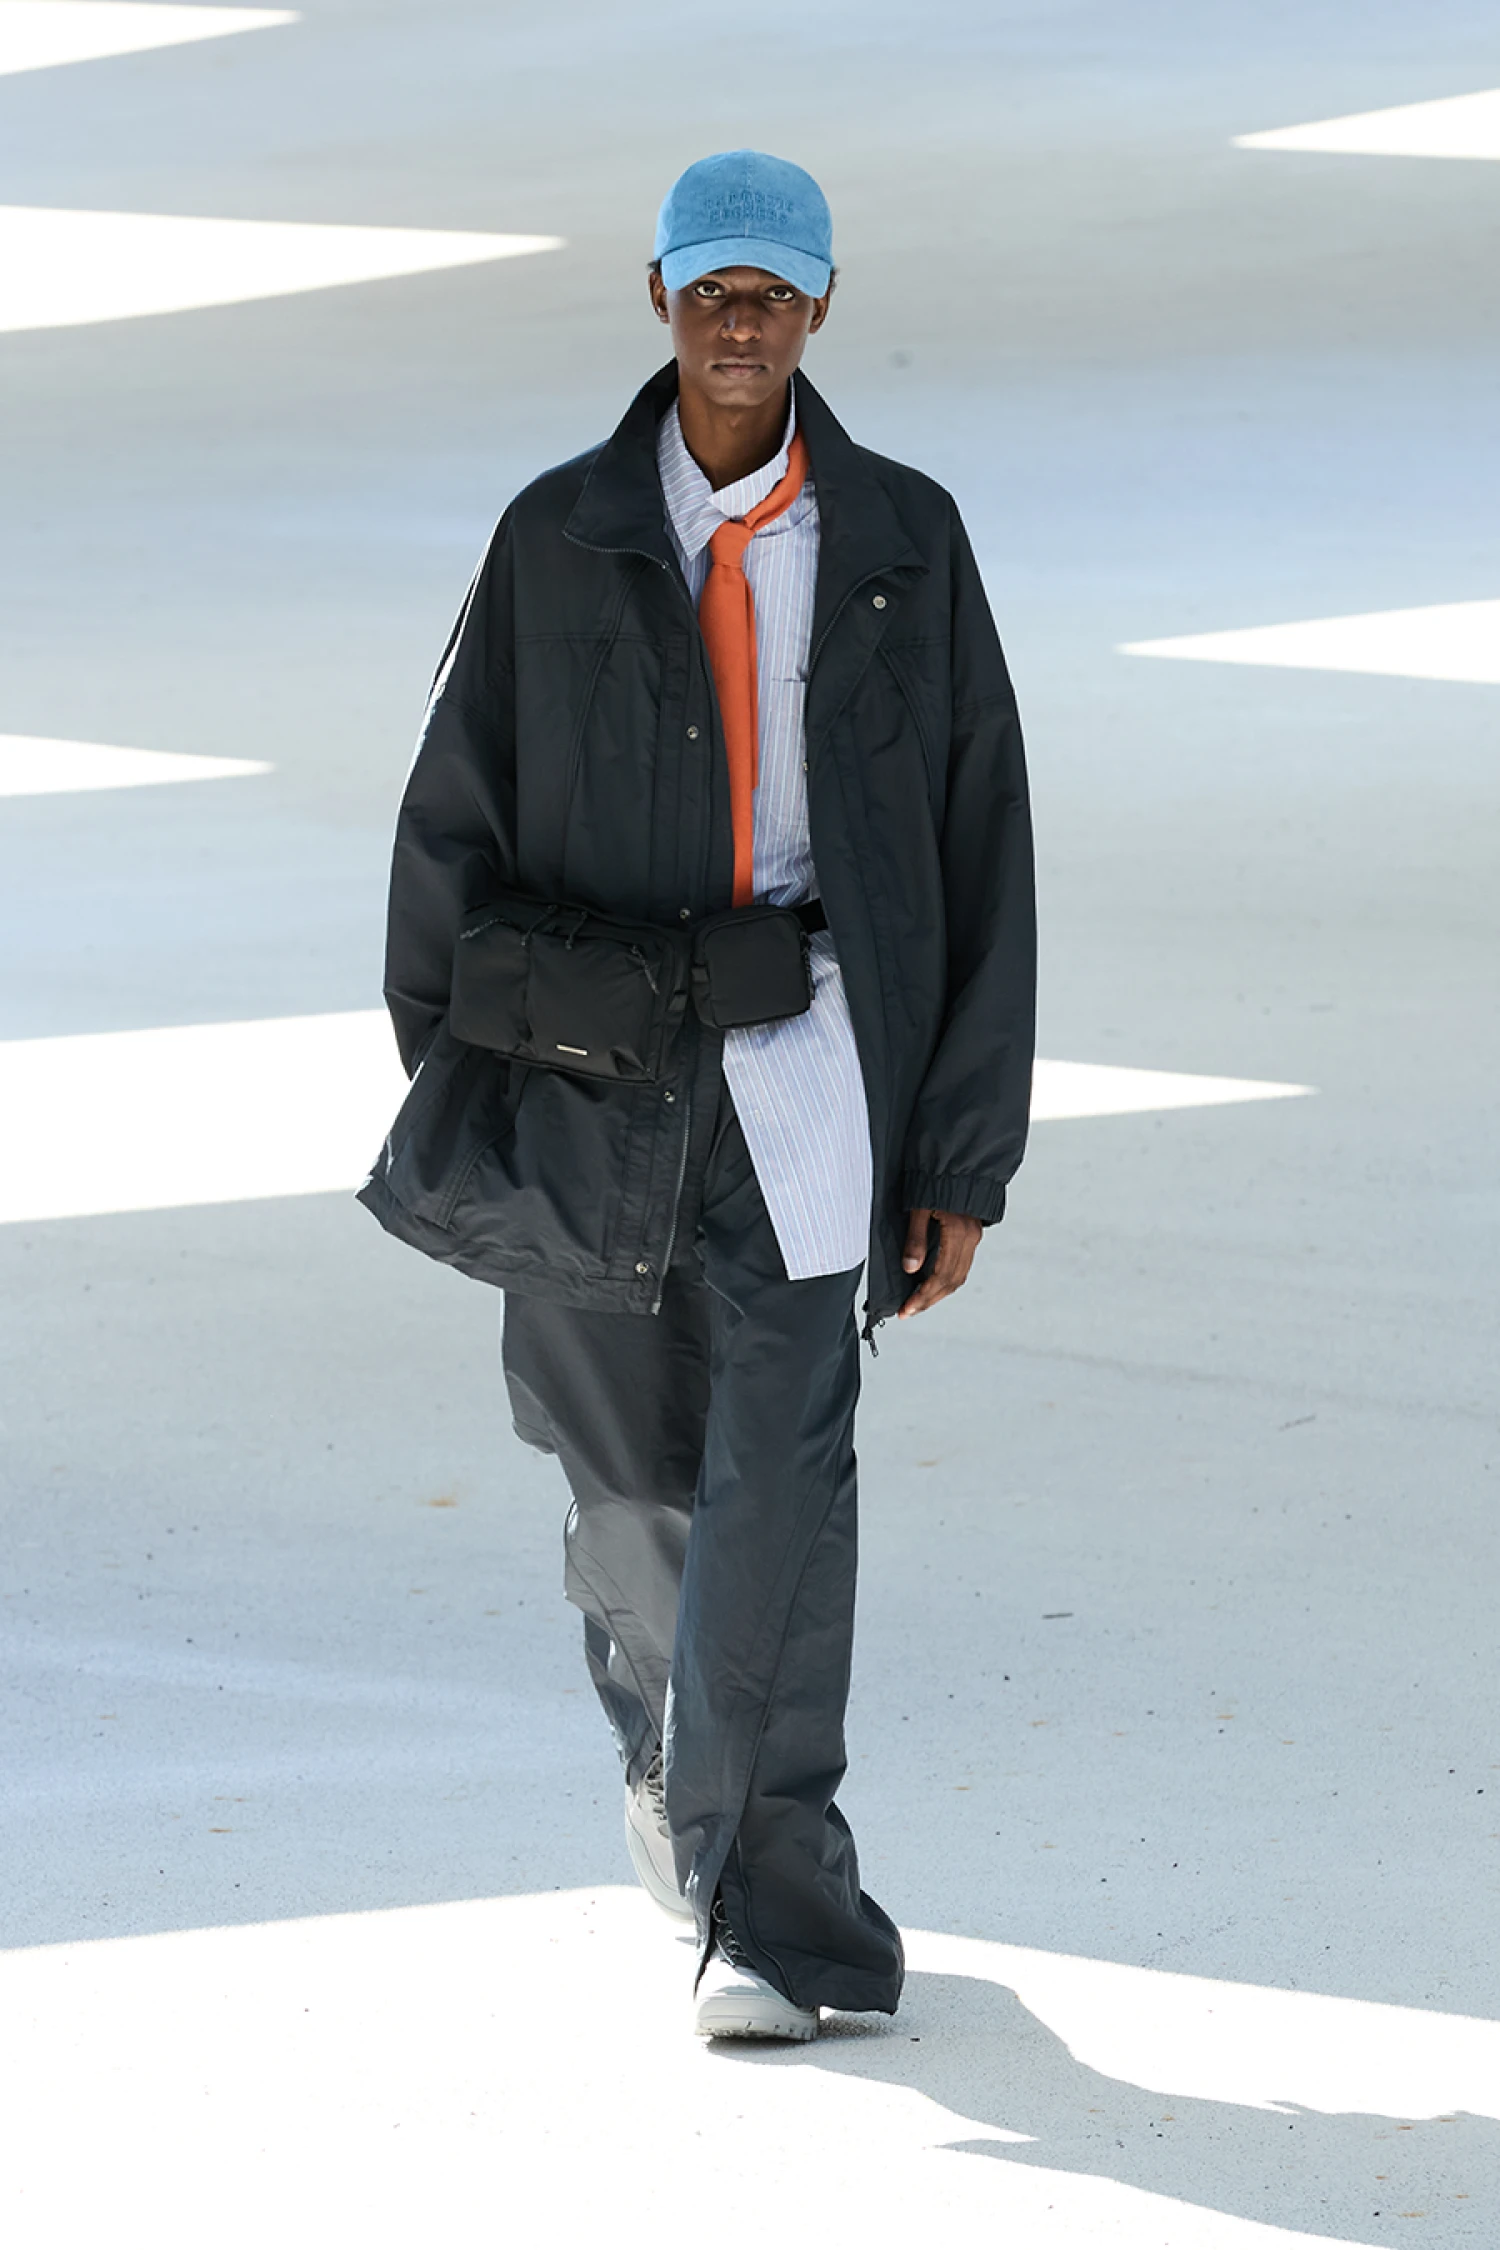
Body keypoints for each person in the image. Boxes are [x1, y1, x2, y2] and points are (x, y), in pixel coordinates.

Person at [360, 150, 1035, 2042]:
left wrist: (962, 1148)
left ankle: (771, 1911)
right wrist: (463, 1077)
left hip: (812, 1052)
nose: (742, 326)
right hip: (594, 1078)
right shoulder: (557, 537)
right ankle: (673, 1747)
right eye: (712, 291)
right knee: (634, 1476)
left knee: (783, 1476)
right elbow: (451, 822)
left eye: (775, 295)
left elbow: (982, 844)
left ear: (821, 308)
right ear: (658, 297)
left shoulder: (904, 540)